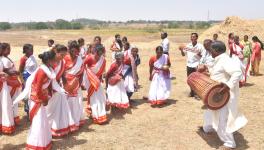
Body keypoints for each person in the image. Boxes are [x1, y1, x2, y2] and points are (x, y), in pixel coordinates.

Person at [200, 41, 247, 150]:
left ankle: (230, 143)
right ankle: (208, 128)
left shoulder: (225, 60)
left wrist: (227, 86)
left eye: (211, 49)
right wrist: (207, 71)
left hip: (223, 96)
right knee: (209, 112)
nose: (209, 51)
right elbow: (219, 73)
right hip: (215, 94)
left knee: (223, 119)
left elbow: (237, 72)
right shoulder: (219, 59)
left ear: (216, 50)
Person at [15, 51, 58, 150]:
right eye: (54, 59)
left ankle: (44, 141)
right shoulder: (42, 71)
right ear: (48, 60)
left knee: (42, 120)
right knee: (38, 121)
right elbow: (38, 89)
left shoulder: (48, 69)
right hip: (37, 99)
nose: (56, 61)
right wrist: (44, 99)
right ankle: (36, 143)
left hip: (41, 97)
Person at [45, 44, 78, 137]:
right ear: (56, 52)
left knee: (59, 109)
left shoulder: (62, 62)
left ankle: (57, 128)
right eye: (61, 55)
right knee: (49, 110)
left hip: (58, 88)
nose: (63, 57)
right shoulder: (50, 62)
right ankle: (46, 128)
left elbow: (63, 75)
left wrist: (67, 85)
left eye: (64, 55)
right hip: (49, 89)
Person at [63, 41, 85, 129]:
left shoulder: (79, 59)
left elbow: (82, 72)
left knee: (76, 102)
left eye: (76, 51)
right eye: (72, 51)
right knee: (66, 102)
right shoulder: (64, 58)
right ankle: (67, 122)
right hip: (65, 83)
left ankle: (76, 121)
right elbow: (61, 72)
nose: (74, 53)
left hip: (76, 84)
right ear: (69, 50)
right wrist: (65, 83)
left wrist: (79, 84)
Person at [83, 44, 107, 124]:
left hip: (97, 80)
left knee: (100, 96)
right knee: (93, 96)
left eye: (101, 53)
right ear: (95, 51)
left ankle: (98, 114)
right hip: (89, 80)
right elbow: (82, 66)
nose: (99, 55)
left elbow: (102, 71)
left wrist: (99, 77)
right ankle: (95, 114)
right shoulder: (89, 57)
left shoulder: (103, 60)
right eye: (98, 53)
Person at [1, 43, 21, 125]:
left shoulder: (5, 58)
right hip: (10, 83)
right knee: (11, 101)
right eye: (8, 49)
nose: (9, 51)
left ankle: (13, 118)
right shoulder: (4, 60)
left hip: (12, 82)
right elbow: (6, 71)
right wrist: (15, 72)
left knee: (13, 101)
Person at [179, 33, 205, 97]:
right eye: (191, 37)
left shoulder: (200, 46)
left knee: (197, 80)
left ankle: (197, 93)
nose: (192, 38)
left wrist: (199, 54)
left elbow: (203, 56)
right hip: (189, 65)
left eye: (194, 37)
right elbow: (183, 55)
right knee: (190, 80)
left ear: (197, 38)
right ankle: (192, 92)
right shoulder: (188, 46)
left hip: (197, 65)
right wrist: (181, 50)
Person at [19, 44, 38, 119]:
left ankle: (33, 111)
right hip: (26, 79)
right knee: (27, 96)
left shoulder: (32, 57)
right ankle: (28, 113)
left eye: (33, 49)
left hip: (34, 79)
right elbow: (20, 71)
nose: (32, 51)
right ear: (26, 50)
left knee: (33, 95)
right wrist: (23, 82)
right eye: (30, 49)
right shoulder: (24, 59)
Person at [0, 43, 16, 134]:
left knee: (5, 104)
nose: (2, 51)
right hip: (2, 83)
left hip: (3, 84)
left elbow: (5, 69)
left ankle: (5, 125)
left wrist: (12, 72)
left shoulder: (1, 59)